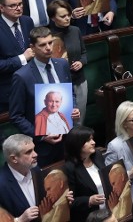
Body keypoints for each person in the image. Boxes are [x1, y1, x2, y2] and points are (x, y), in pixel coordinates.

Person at [10, 27, 80, 166]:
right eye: (42, 45)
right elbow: (16, 115)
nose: (48, 48)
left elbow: (70, 92)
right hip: (41, 148)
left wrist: (74, 108)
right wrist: (41, 136)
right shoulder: (22, 76)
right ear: (32, 47)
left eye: (50, 43)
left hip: (67, 139)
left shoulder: (62, 64)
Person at [46, 0, 87, 122]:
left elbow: (84, 53)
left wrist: (81, 62)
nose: (67, 18)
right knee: (63, 121)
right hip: (59, 84)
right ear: (53, 18)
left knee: (80, 118)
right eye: (62, 16)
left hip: (79, 80)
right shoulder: (47, 36)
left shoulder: (75, 30)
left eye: (68, 15)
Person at [61, 126, 109, 222]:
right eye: (88, 140)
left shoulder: (97, 155)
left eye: (92, 139)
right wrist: (89, 200)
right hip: (89, 216)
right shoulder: (70, 168)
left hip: (108, 211)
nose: (93, 142)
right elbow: (70, 201)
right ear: (77, 144)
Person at [0, 134, 45, 220]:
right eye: (28, 152)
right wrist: (20, 220)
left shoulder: (36, 170)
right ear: (14, 159)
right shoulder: (1, 184)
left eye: (34, 149)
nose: (35, 154)